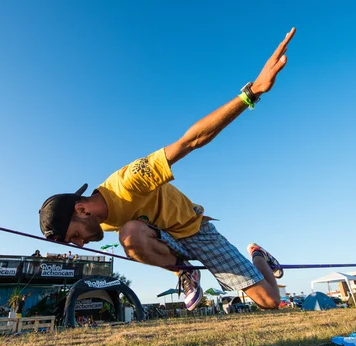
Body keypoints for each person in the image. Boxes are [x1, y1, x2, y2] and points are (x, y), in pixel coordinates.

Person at [39, 28, 296, 312]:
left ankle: (258, 254)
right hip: (170, 244)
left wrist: (251, 93)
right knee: (130, 237)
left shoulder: (129, 181)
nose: (82, 243)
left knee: (271, 301)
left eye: (76, 236)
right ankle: (184, 272)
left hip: (195, 230)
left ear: (81, 209)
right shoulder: (100, 221)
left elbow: (191, 141)